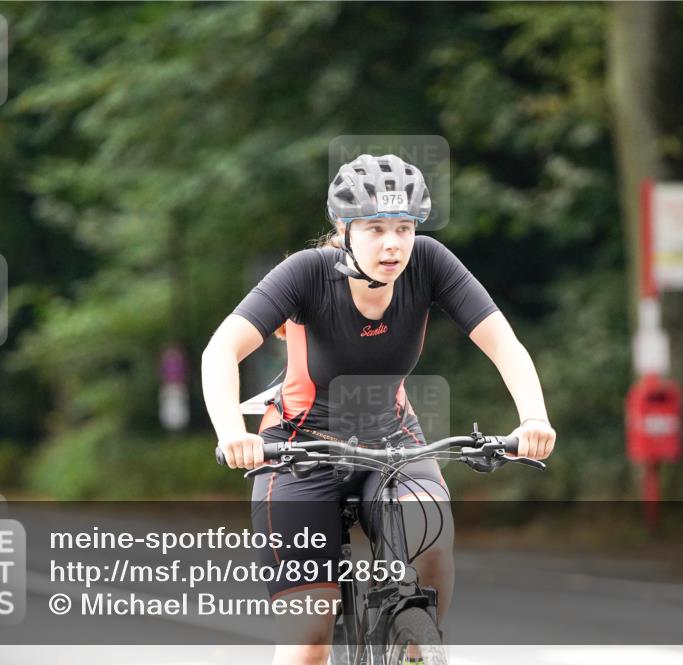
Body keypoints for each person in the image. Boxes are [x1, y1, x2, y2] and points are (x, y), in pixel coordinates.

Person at [201, 154, 555, 665]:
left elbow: (504, 345)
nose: (392, 244)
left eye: (404, 228)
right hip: (298, 450)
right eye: (374, 229)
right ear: (345, 230)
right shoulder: (306, 274)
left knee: (431, 534)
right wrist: (233, 432)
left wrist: (534, 418)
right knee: (308, 639)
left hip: (391, 439)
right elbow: (222, 350)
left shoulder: (429, 263)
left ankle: (417, 645)